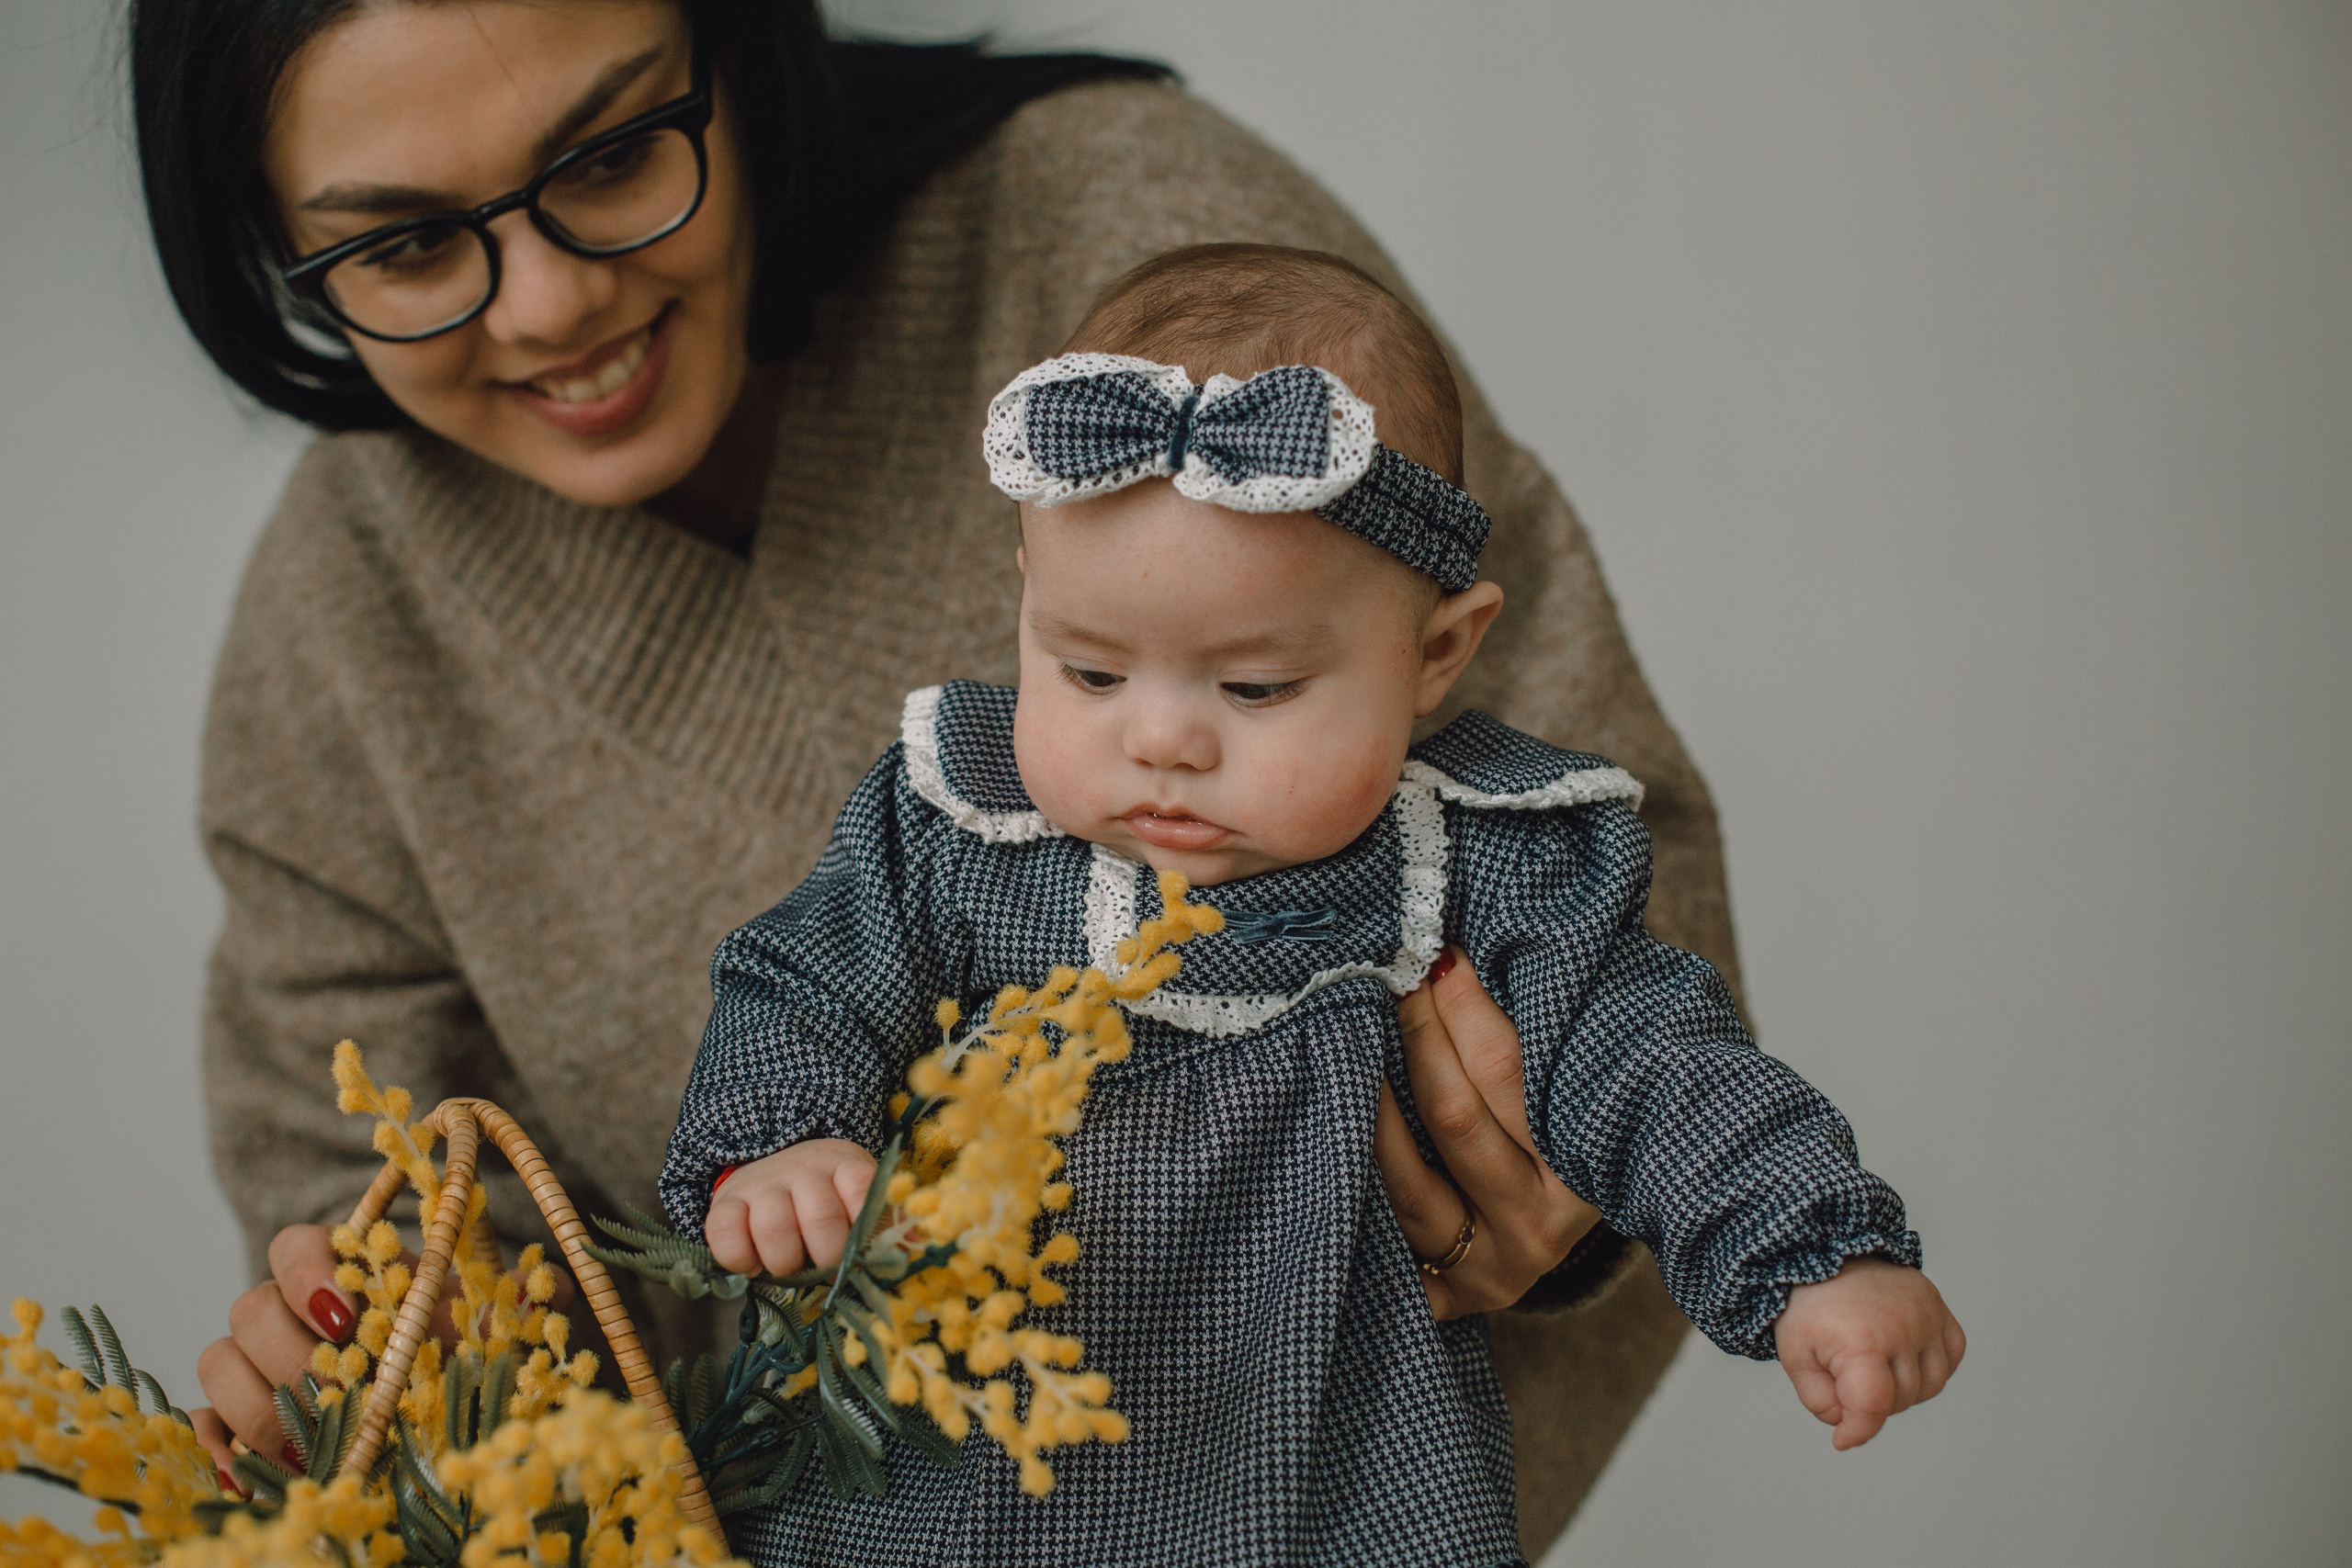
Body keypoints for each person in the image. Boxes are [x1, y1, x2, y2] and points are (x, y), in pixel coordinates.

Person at [139, 0, 1750, 1550]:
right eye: (406, 245)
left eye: (612, 156)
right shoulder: (342, 632)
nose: (550, 302)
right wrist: (396, 1422)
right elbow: (412, 1238)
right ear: (270, 254)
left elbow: (1609, 868)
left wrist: (1570, 1193)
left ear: (737, 52)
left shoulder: (1129, 246)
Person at [662, 245, 1965, 1566]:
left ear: (1435, 654)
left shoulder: (1483, 871)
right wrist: (782, 1146)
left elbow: (1661, 1065)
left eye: (1257, 689)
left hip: (1322, 1469)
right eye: (1091, 669)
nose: (1161, 740)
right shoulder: (957, 825)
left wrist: (1814, 1256)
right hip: (957, 1465)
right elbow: (804, 981)